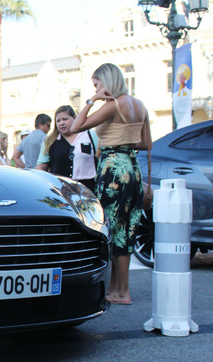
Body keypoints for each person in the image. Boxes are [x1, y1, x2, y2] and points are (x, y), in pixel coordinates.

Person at [70, 63, 153, 305]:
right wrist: (123, 141)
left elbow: (76, 127)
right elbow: (147, 144)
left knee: (111, 227)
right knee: (125, 230)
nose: (96, 89)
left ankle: (119, 291)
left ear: (106, 81)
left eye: (97, 85)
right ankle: (120, 290)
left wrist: (91, 100)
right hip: (132, 169)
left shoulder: (113, 105)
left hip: (114, 171)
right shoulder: (139, 105)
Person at [36, 105, 97, 191]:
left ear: (74, 118)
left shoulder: (90, 135)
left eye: (65, 119)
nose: (61, 123)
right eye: (58, 121)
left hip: (87, 189)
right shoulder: (49, 141)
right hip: (60, 190)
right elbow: (41, 167)